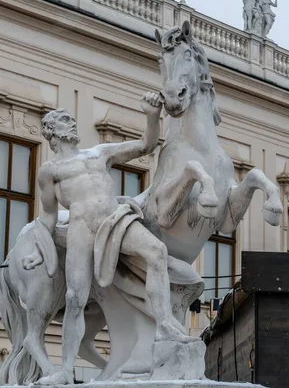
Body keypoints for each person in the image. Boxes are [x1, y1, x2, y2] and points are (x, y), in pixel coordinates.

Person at [31, 93, 190, 385]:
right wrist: (41, 251)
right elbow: (49, 216)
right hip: (81, 228)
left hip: (114, 218)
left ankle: (165, 324)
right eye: (65, 121)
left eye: (71, 120)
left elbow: (146, 144)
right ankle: (66, 370)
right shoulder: (50, 171)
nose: (72, 124)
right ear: (52, 134)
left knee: (156, 252)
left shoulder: (100, 153)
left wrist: (152, 116)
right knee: (75, 297)